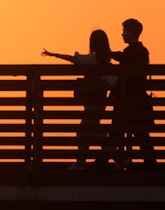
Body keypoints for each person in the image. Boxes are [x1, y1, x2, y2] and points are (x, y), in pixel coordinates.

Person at [42, 29, 116, 169]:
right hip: (100, 102)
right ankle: (116, 160)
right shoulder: (108, 63)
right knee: (95, 132)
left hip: (90, 102)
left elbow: (74, 59)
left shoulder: (90, 59)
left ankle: (82, 163)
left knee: (86, 131)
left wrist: (55, 55)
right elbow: (113, 82)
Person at [99, 18, 156, 168]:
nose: (122, 34)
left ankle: (104, 161)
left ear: (131, 32)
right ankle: (150, 163)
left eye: (124, 31)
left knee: (119, 132)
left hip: (129, 100)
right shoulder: (141, 51)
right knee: (138, 133)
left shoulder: (135, 52)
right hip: (135, 100)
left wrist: (108, 53)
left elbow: (124, 58)